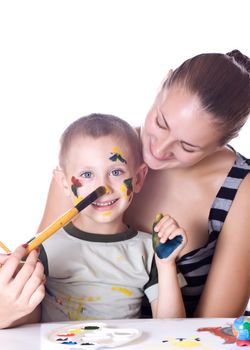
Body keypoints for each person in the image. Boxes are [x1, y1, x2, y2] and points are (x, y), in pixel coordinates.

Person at [37, 49, 250, 318]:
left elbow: (213, 328)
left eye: (188, 146)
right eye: (161, 123)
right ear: (163, 83)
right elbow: (39, 279)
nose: (159, 149)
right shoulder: (88, 163)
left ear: (220, 145)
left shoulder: (241, 189)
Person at [0, 113, 187, 328]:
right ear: (63, 182)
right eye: (87, 175)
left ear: (138, 178)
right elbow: (21, 319)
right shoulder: (45, 248)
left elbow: (173, 329)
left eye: (116, 171)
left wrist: (165, 264)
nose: (104, 188)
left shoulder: (150, 249)